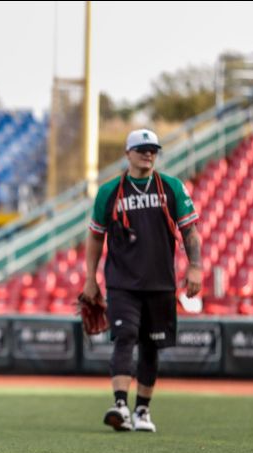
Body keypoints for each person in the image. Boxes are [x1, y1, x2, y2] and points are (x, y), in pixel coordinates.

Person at [83, 129, 202, 433]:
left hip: (161, 281)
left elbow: (190, 231)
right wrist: (91, 279)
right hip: (122, 282)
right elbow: (96, 237)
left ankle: (143, 411)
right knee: (125, 336)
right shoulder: (110, 192)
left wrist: (195, 267)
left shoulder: (172, 187)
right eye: (142, 149)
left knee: (151, 346)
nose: (148, 154)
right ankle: (120, 405)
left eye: (153, 149)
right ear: (128, 153)